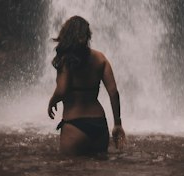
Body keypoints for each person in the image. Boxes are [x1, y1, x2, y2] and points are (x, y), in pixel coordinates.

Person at [47, 15, 125, 157]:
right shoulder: (101, 59)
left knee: (68, 172)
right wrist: (117, 124)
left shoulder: (66, 60)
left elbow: (62, 90)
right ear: (87, 35)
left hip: (75, 125)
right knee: (96, 174)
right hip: (100, 126)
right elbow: (113, 92)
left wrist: (52, 101)